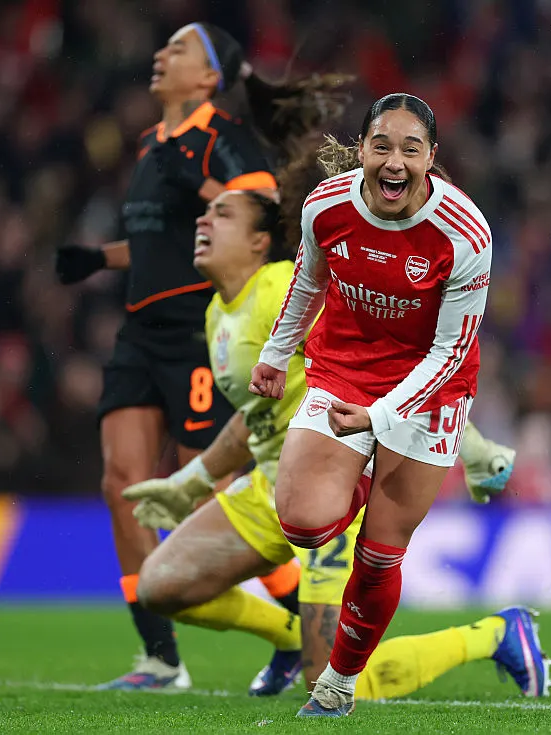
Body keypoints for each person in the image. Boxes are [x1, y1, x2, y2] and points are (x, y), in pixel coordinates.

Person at [120, 173, 543, 704]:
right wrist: (193, 479)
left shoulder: (281, 288)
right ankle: (291, 638)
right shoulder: (217, 313)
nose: (204, 220)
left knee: (335, 677)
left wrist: (469, 443)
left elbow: (389, 361)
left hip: (335, 473)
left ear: (259, 240)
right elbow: (255, 415)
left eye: (223, 214)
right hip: (272, 482)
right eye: (207, 212)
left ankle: (495, 636)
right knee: (161, 587)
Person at [53, 22, 349, 690]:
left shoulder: (224, 139)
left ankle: (297, 628)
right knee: (120, 484)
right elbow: (161, 241)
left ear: (211, 77)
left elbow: (264, 214)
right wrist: (100, 258)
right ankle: (160, 658)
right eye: (162, 46)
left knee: (207, 493)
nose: (161, 54)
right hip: (140, 329)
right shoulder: (148, 146)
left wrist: (206, 185)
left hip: (201, 328)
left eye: (179, 48)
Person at [249, 92, 549, 717]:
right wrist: (276, 354)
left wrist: (381, 420)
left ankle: (337, 685)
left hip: (431, 385)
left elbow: (451, 350)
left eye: (411, 150)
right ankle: (360, 478)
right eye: (381, 146)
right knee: (303, 522)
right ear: (361, 149)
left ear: (431, 157)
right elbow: (307, 280)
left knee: (380, 553)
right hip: (345, 368)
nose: (394, 162)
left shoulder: (464, 232)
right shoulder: (326, 205)